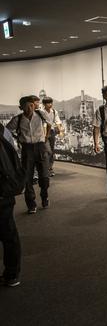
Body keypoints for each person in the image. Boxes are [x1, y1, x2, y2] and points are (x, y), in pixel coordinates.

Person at [6, 96, 51, 214]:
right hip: (27, 149)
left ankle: (44, 195)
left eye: (31, 105)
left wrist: (46, 137)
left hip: (41, 147)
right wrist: (18, 139)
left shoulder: (41, 115)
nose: (30, 108)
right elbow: (7, 131)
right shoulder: (18, 119)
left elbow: (50, 123)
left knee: (44, 176)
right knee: (27, 177)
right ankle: (31, 204)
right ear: (21, 107)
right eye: (26, 106)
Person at [0, 122, 22, 287]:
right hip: (4, 190)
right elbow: (14, 154)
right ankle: (12, 274)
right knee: (9, 233)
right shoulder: (3, 131)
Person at [41, 96, 64, 177]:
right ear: (44, 104)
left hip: (52, 132)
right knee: (48, 151)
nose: (50, 104)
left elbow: (58, 121)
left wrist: (61, 131)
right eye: (48, 103)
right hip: (43, 133)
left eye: (51, 103)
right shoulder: (41, 112)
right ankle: (46, 169)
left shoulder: (54, 111)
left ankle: (50, 168)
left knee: (51, 151)